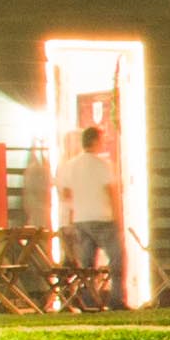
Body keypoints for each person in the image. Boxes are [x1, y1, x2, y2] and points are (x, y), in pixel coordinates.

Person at [53, 119, 125, 309]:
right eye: (101, 140)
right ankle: (116, 299)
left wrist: (77, 205)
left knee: (86, 265)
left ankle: (89, 301)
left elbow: (64, 193)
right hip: (103, 218)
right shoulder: (102, 165)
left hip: (81, 220)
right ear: (94, 141)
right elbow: (111, 191)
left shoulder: (70, 166)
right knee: (117, 259)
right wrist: (118, 216)